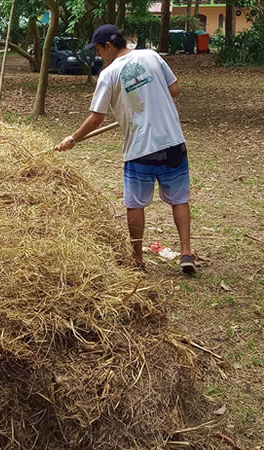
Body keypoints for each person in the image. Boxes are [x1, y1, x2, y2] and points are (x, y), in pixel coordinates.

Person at [56, 24, 196, 274]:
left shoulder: (109, 74)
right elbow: (175, 90)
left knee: (135, 204)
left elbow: (97, 117)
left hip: (140, 147)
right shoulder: (151, 56)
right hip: (172, 140)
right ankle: (186, 252)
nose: (99, 55)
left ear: (108, 45)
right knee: (179, 199)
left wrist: (73, 139)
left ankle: (137, 259)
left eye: (98, 50)